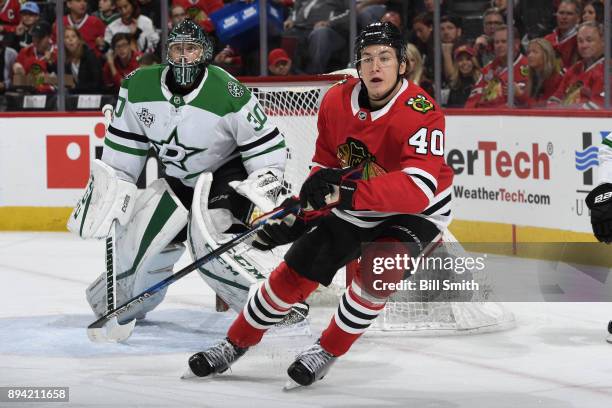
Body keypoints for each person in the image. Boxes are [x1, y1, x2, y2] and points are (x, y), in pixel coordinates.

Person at [183, 22, 453, 388]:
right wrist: (303, 213)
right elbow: (326, 165)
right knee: (291, 277)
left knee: (377, 274)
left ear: (402, 65)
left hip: (415, 214)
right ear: (358, 66)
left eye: (385, 58)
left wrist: (344, 194)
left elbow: (418, 188)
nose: (375, 67)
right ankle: (234, 343)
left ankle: (327, 350)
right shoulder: (336, 101)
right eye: (368, 59)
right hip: (355, 205)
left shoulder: (421, 111)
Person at [68, 20, 286, 330]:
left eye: (191, 48)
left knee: (215, 242)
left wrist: (264, 180)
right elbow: (123, 154)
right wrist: (112, 188)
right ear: (166, 53)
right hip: (179, 179)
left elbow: (264, 144)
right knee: (139, 249)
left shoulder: (228, 90)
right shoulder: (137, 85)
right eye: (177, 48)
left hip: (224, 176)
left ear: (205, 53)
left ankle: (272, 305)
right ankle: (118, 302)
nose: (183, 57)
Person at [465, 25, 528, 108]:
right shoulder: (489, 68)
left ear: (516, 44)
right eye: (496, 42)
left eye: (504, 41)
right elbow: (473, 98)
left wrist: (520, 95)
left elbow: (534, 104)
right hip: (484, 117)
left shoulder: (529, 68)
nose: (499, 45)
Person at [548, 21, 605, 109]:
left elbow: (597, 106)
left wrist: (564, 113)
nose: (584, 45)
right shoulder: (575, 68)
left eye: (589, 40)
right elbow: (557, 97)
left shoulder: (607, 71)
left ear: (603, 41)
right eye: (580, 41)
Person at [515, 38, 563, 108]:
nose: (530, 55)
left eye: (535, 52)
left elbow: (542, 108)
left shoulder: (555, 78)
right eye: (528, 52)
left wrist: (520, 95)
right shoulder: (533, 77)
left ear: (546, 55)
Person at [63, 26, 103, 94]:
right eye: (67, 37)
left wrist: (76, 87)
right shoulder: (65, 60)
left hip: (93, 97)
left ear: (79, 40)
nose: (70, 39)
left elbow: (97, 83)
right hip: (74, 99)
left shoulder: (90, 56)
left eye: (73, 36)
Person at [544, 0, 580, 69]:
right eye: (561, 13)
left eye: (569, 14)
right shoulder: (547, 39)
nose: (564, 17)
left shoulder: (581, 40)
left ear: (578, 18)